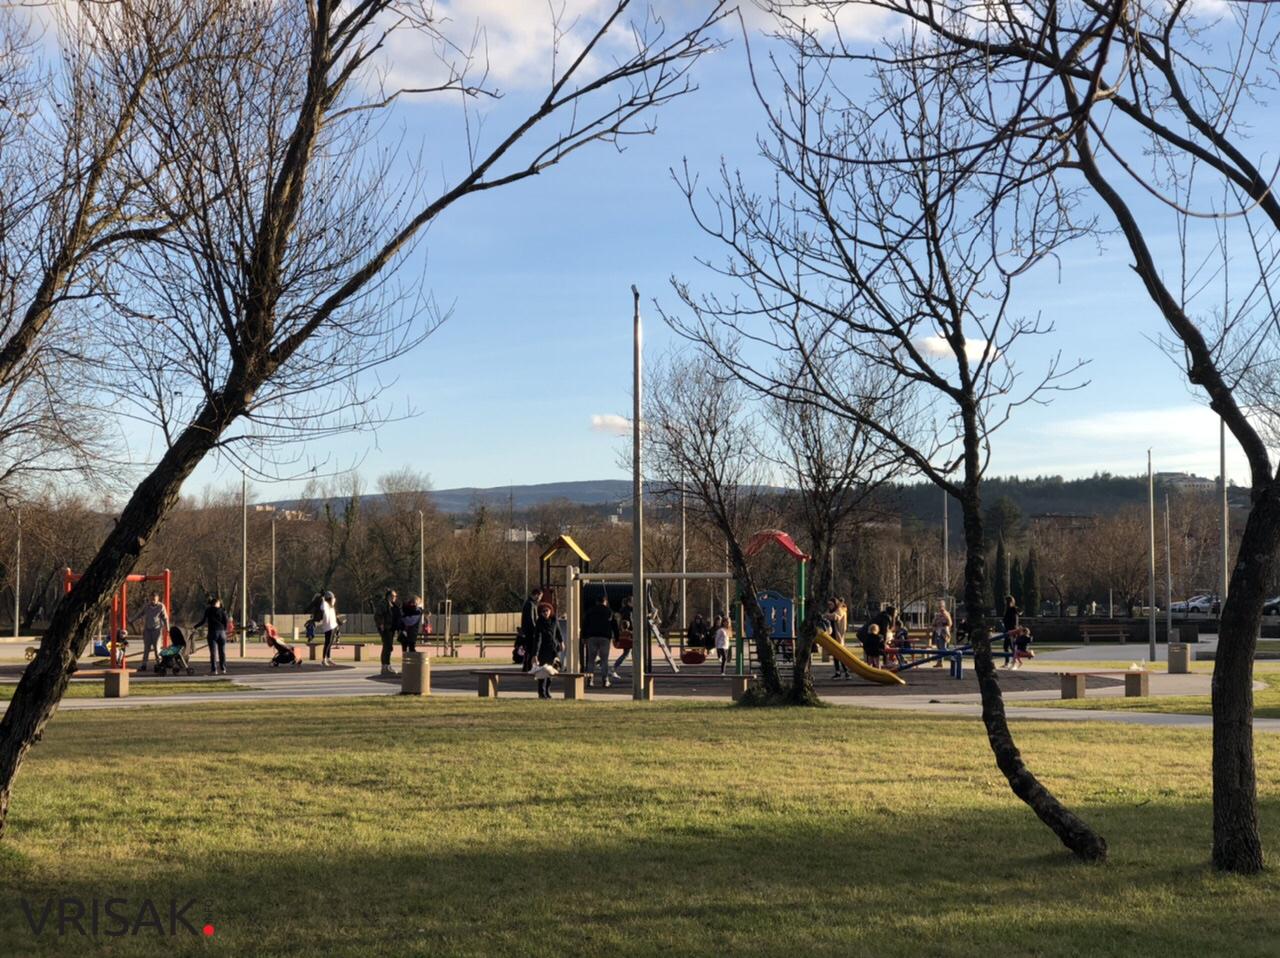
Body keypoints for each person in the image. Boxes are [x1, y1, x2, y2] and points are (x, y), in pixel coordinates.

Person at [582, 593, 619, 688]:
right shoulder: (609, 611)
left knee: (591, 660)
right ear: (605, 601)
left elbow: (585, 625)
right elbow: (614, 626)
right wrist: (617, 638)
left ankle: (590, 680)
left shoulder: (590, 611)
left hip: (592, 637)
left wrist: (584, 637)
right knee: (604, 660)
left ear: (596, 602)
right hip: (605, 637)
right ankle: (605, 680)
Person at [133, 592, 169, 673]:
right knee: (146, 648)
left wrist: (168, 628)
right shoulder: (147, 606)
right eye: (151, 599)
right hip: (147, 630)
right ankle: (144, 664)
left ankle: (159, 663)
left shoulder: (161, 606)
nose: (152, 601)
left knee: (157, 648)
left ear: (157, 599)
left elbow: (165, 618)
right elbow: (140, 613)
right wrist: (132, 620)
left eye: (154, 599)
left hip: (157, 630)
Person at [194, 595, 229, 675]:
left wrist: (195, 627)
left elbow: (203, 621)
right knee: (222, 651)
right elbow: (226, 621)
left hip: (212, 632)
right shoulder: (222, 611)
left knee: (213, 652)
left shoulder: (208, 610)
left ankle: (214, 669)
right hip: (222, 632)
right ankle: (223, 668)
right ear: (217, 603)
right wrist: (224, 630)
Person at [374, 588, 401, 677]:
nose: (395, 597)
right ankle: (385, 666)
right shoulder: (383, 604)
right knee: (387, 646)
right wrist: (381, 624)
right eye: (393, 596)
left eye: (395, 596)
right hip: (386, 628)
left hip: (391, 628)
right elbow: (378, 615)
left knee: (388, 647)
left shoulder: (393, 605)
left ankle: (387, 665)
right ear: (389, 596)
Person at [517, 587, 544, 673]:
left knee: (529, 650)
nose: (540, 599)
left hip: (528, 631)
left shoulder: (529, 603)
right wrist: (536, 630)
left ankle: (527, 667)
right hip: (530, 632)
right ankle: (528, 667)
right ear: (536, 595)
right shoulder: (530, 604)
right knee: (531, 650)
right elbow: (531, 619)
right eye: (540, 597)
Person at [611, 594, 635, 678]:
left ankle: (614, 668)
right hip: (629, 633)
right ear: (629, 602)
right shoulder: (628, 612)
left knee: (627, 653)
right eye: (633, 601)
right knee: (632, 653)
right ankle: (635, 670)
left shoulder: (623, 610)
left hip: (626, 633)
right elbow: (628, 622)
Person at [319, 590, 339, 667]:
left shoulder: (331, 605)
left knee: (330, 643)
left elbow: (334, 599)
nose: (333, 599)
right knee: (327, 643)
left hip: (333, 625)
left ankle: (329, 658)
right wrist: (323, 597)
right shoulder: (325, 605)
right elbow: (322, 605)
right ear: (328, 599)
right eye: (331, 598)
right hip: (328, 627)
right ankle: (324, 659)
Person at [931, 600, 953, 668]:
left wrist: (944, 620)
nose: (940, 608)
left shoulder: (946, 614)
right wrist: (935, 623)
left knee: (943, 648)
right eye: (939, 606)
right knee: (939, 648)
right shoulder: (937, 614)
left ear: (944, 606)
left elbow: (950, 623)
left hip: (944, 633)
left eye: (941, 606)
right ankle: (939, 662)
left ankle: (954, 655)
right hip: (938, 632)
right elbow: (933, 623)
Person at [1001, 595, 1019, 668]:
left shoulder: (1012, 609)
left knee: (1012, 646)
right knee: (1006, 646)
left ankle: (1014, 661)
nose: (1006, 603)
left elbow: (1015, 620)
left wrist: (1014, 630)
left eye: (1007, 602)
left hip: (1011, 630)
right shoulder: (1008, 609)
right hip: (1008, 630)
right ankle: (1007, 662)